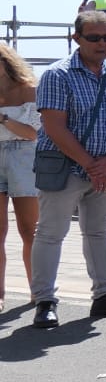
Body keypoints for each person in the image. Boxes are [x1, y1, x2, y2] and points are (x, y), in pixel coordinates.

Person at [28, 11, 106, 328]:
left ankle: (105, 296)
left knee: (98, 232)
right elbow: (54, 127)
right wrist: (92, 164)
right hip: (64, 169)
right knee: (51, 234)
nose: (103, 43)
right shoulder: (57, 74)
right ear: (77, 39)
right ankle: (45, 301)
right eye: (94, 37)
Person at [0, 44, 42, 308]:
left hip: (24, 157)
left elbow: (32, 132)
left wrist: (3, 118)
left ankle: (38, 290)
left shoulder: (29, 89)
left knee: (29, 230)